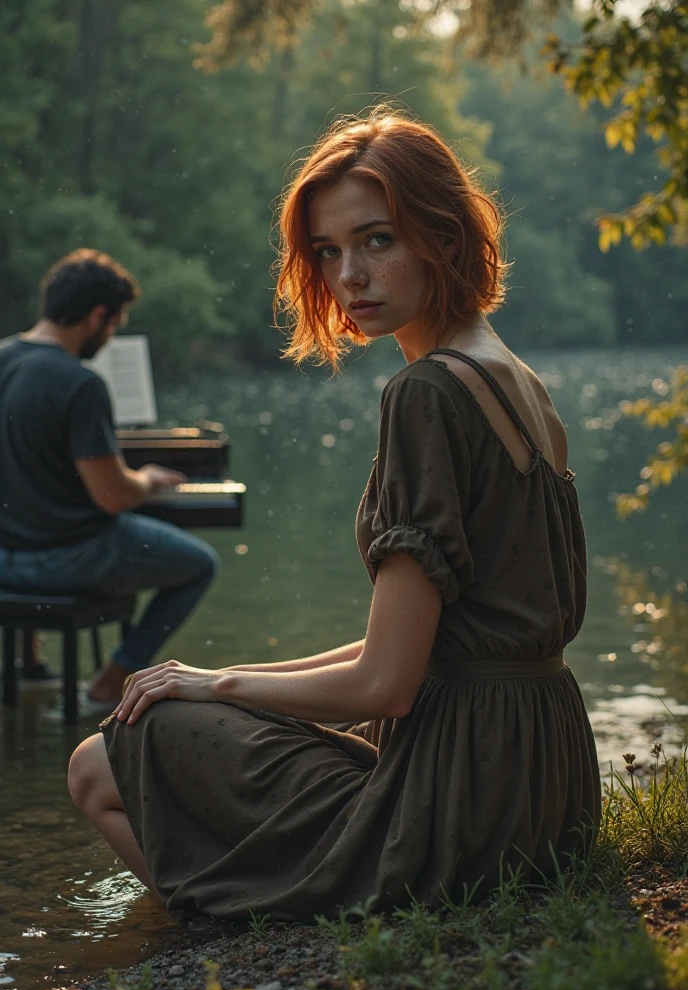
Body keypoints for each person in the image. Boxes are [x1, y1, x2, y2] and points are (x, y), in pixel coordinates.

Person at [68, 112, 600, 915]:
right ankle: (242, 892)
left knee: (99, 765)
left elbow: (386, 685)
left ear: (447, 238)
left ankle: (235, 917)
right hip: (547, 782)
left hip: (461, 805)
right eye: (328, 251)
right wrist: (224, 686)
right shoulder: (517, 381)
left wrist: (219, 680)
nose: (348, 274)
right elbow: (426, 642)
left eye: (377, 240)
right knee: (176, 707)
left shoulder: (426, 393)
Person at [0, 250, 219, 706]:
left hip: (6, 557)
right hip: (69, 556)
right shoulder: (78, 383)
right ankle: (107, 683)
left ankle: (29, 663)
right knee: (200, 564)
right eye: (114, 323)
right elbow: (112, 496)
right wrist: (148, 479)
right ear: (97, 315)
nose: (110, 334)